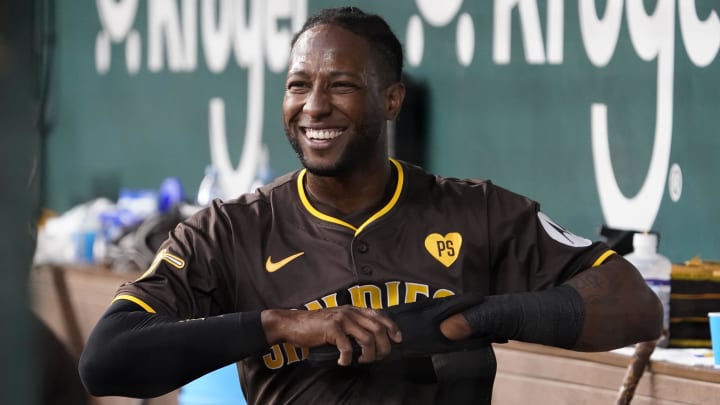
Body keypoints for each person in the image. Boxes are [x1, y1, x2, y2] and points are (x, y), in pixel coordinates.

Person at [79, 6, 663, 404]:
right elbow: (106, 359)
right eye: (298, 84)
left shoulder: (475, 212)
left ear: (391, 100)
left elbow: (635, 305)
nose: (313, 106)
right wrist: (282, 324)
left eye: (341, 85)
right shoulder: (229, 230)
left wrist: (474, 319)